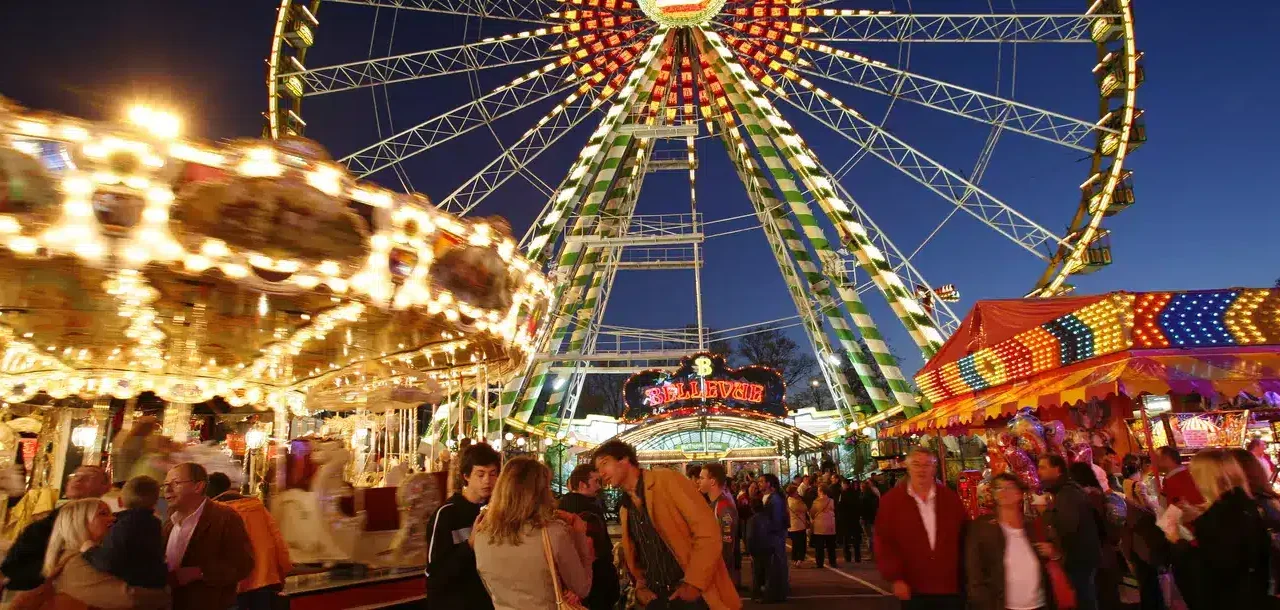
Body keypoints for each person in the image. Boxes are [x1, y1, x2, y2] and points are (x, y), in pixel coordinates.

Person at [593, 439, 741, 610]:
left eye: (605, 463)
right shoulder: (625, 508)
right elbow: (639, 554)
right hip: (656, 599)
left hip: (691, 596)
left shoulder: (666, 480)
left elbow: (708, 532)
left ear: (625, 460)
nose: (601, 473)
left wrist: (694, 584)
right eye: (598, 469)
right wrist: (640, 585)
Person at [474, 456, 593, 610]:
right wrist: (579, 536)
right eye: (548, 487)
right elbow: (582, 587)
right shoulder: (554, 533)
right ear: (539, 493)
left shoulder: (482, 535)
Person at [1168, 449, 1270, 609]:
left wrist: (1178, 542)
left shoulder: (1219, 516)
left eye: (1195, 474)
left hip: (1231, 598)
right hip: (1255, 592)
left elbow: (1215, 570)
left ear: (1207, 478)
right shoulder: (1246, 503)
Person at [31, 498, 168, 610]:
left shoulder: (94, 554)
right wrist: (166, 593)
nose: (113, 519)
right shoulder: (75, 561)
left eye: (110, 513)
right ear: (79, 522)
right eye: (103, 514)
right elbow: (129, 599)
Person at [874, 448, 967, 610]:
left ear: (934, 468)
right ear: (908, 467)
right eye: (916, 464)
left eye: (927, 465)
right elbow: (884, 542)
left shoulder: (950, 499)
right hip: (913, 587)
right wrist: (896, 578)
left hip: (949, 585)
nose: (922, 469)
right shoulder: (892, 501)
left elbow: (964, 538)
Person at [1, 465, 112, 592]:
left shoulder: (107, 522)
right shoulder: (46, 523)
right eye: (75, 476)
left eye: (89, 477)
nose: (78, 480)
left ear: (105, 487)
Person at [163, 462, 256, 610]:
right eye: (165, 484)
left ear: (198, 486)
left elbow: (243, 565)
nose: (167, 490)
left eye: (176, 483)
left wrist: (199, 572)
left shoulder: (224, 517)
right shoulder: (169, 521)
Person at [427, 442, 501, 610]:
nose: (487, 481)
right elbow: (435, 575)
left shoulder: (497, 511)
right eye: (480, 474)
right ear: (466, 476)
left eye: (492, 474)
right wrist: (469, 544)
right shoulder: (446, 514)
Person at [965, 473, 1055, 610]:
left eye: (1009, 487)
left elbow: (1057, 558)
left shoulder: (1033, 528)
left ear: (1020, 494)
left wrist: (1053, 553)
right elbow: (975, 574)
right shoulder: (982, 528)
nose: (1003, 492)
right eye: (999, 488)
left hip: (1038, 605)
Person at [206, 472, 293, 610]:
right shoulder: (257, 507)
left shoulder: (214, 514)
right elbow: (278, 540)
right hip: (265, 579)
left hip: (233, 586)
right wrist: (284, 570)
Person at [1038, 454, 1102, 610]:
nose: (1039, 472)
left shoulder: (1068, 493)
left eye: (1043, 467)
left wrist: (1045, 513)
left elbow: (1067, 527)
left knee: (1083, 599)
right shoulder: (1064, 491)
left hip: (1079, 558)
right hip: (1082, 556)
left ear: (1057, 469)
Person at [82, 475, 168, 589]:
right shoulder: (155, 524)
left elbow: (108, 562)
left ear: (120, 501)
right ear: (156, 502)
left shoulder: (123, 525)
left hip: (131, 590)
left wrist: (89, 550)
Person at [559, 463, 621, 610]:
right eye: (596, 482)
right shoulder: (586, 508)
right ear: (582, 484)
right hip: (594, 582)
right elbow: (589, 546)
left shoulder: (562, 506)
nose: (599, 486)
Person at [697, 462, 741, 588]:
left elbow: (727, 542)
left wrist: (716, 569)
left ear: (712, 481)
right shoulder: (714, 504)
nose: (698, 481)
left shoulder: (723, 506)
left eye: (702, 478)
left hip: (719, 572)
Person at [746, 474, 788, 603]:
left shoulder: (774, 499)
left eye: (762, 481)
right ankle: (772, 593)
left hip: (773, 539)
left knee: (774, 568)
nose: (759, 484)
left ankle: (774, 594)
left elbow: (775, 522)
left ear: (769, 484)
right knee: (771, 568)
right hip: (770, 539)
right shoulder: (769, 498)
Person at [808, 485, 837, 569]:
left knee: (819, 547)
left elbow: (812, 513)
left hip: (820, 526)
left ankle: (820, 563)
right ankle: (833, 562)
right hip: (830, 525)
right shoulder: (831, 501)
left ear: (820, 491)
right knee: (831, 546)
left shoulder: (816, 502)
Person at [836, 478, 863, 563]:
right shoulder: (856, 493)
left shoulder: (843, 494)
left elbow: (840, 507)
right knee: (856, 540)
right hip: (855, 519)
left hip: (845, 520)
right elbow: (859, 506)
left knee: (846, 540)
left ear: (844, 485)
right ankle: (857, 557)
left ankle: (847, 557)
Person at [785, 485, 808, 568]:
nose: (798, 493)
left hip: (793, 526)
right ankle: (799, 560)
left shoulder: (788, 500)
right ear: (792, 493)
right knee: (800, 544)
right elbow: (805, 508)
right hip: (798, 525)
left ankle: (795, 559)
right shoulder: (795, 502)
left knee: (795, 544)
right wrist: (801, 502)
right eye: (796, 492)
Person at [860, 480, 879, 560]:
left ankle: (871, 554)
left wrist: (862, 518)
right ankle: (876, 553)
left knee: (869, 537)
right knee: (873, 536)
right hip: (874, 518)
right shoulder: (874, 496)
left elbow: (863, 510)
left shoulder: (864, 497)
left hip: (867, 519)